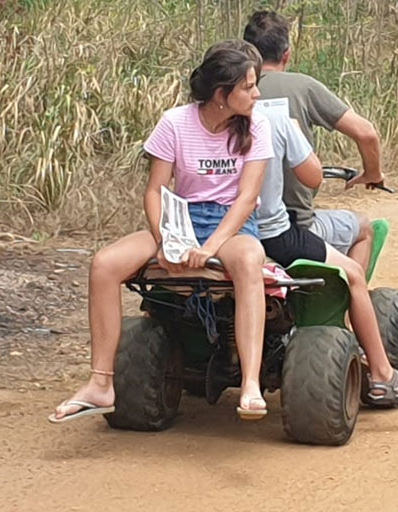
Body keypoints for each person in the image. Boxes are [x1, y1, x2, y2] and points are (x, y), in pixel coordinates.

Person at [50, 41, 273, 423]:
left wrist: (211, 247)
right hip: (180, 218)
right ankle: (101, 382)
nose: (256, 94)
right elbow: (155, 190)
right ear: (222, 94)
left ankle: (250, 383)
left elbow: (247, 199)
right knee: (105, 264)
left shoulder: (257, 123)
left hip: (229, 224)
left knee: (249, 259)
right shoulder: (175, 122)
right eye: (248, 87)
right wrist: (169, 239)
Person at [244, 40, 398, 403]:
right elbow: (318, 173)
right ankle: (379, 370)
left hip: (214, 237)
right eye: (252, 87)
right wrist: (369, 172)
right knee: (356, 257)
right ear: (285, 54)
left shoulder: (192, 121)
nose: (258, 92)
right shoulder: (273, 120)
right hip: (282, 231)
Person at [243, 11, 382, 273]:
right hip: (291, 226)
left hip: (234, 224)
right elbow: (366, 133)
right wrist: (372, 174)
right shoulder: (303, 88)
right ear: (287, 54)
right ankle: (349, 308)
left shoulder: (228, 94)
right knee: (364, 228)